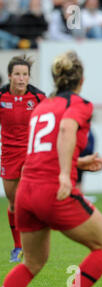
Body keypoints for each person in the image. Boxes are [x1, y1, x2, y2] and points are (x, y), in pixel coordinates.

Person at [0, 51, 102, 287]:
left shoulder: (43, 105)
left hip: (26, 193)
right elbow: (66, 128)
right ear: (81, 80)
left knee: (32, 263)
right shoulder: (79, 104)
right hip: (52, 190)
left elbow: (46, 148)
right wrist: (66, 174)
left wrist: (77, 162)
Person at [0, 55, 46, 263]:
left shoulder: (38, 98)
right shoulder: (1, 97)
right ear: (10, 76)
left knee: (28, 200)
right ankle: (17, 247)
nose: (21, 78)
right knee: (13, 203)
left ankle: (31, 246)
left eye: (25, 74)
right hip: (9, 155)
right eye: (17, 74)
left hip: (31, 155)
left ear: (29, 77)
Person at [75, 129, 102, 200]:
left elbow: (91, 148)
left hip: (90, 158)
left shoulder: (89, 130)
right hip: (77, 161)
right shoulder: (74, 129)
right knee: (78, 195)